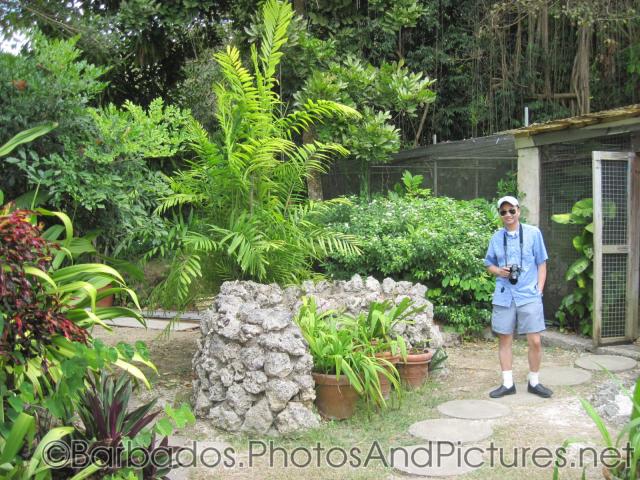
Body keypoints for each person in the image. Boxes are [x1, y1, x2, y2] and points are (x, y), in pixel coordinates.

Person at [484, 196, 553, 398]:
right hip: (504, 295)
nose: (508, 215)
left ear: (518, 211)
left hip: (529, 294)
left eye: (511, 211)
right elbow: (488, 264)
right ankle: (507, 384)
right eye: (503, 212)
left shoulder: (533, 233)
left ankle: (534, 381)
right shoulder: (496, 237)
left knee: (535, 340)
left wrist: (539, 290)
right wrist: (499, 271)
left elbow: (542, 263)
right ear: (500, 214)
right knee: (505, 339)